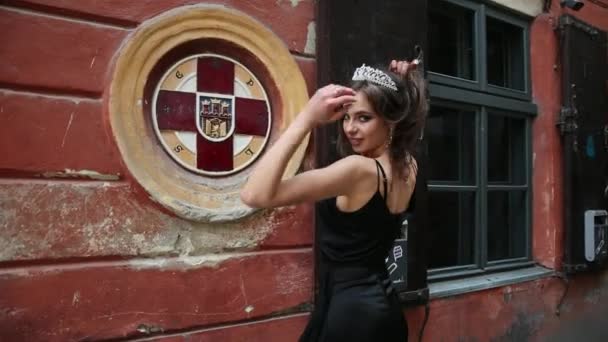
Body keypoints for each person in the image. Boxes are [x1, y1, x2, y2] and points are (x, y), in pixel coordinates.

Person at [240, 59, 428, 342]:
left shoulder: (358, 170)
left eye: (364, 118)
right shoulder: (408, 165)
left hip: (351, 315)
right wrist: (400, 84)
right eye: (346, 117)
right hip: (385, 306)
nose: (350, 128)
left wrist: (307, 118)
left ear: (390, 121)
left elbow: (254, 194)